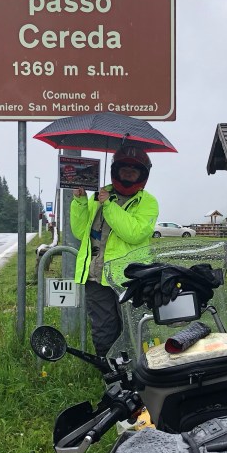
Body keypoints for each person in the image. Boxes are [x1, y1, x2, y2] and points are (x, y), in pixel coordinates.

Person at [70, 145, 159, 357]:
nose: (128, 174)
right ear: (115, 170)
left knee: (137, 327)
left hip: (130, 279)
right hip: (96, 275)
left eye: (133, 171)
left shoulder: (147, 202)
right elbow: (81, 232)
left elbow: (134, 233)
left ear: (143, 174)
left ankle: (144, 368)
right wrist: (80, 202)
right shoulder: (99, 196)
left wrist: (109, 206)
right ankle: (110, 370)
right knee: (103, 330)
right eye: (124, 169)